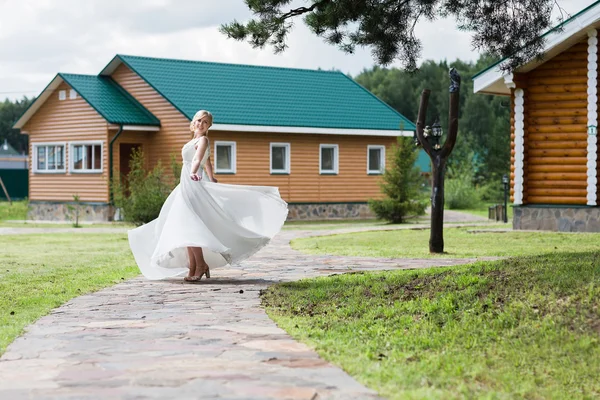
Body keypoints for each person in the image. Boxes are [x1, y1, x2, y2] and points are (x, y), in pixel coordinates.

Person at [127, 110, 288, 282]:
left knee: (190, 223)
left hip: (193, 181)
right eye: (199, 121)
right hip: (186, 184)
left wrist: (195, 172)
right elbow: (208, 160)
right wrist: (211, 177)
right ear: (193, 122)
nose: (201, 124)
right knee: (184, 225)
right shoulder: (193, 140)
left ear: (209, 126)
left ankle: (201, 264)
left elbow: (198, 159)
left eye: (205, 122)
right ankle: (194, 265)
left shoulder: (203, 140)